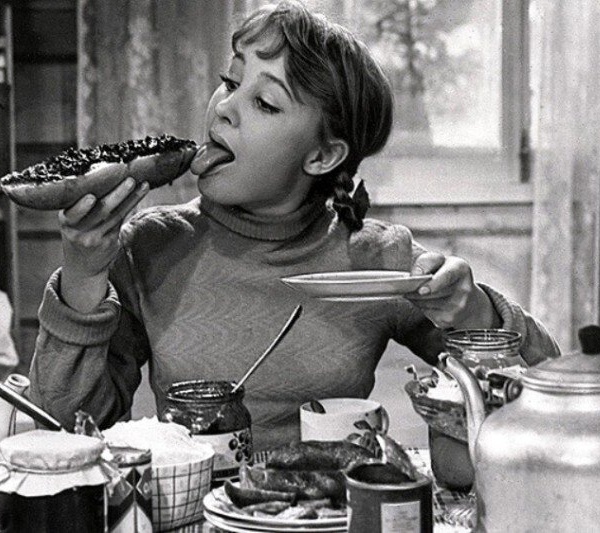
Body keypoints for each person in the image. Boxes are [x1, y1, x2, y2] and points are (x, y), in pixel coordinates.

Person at [29, 1, 560, 451]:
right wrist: (83, 277)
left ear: (323, 156)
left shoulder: (375, 259)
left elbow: (548, 392)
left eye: (264, 102)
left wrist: (474, 311)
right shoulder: (148, 245)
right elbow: (65, 431)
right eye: (230, 81)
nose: (224, 109)